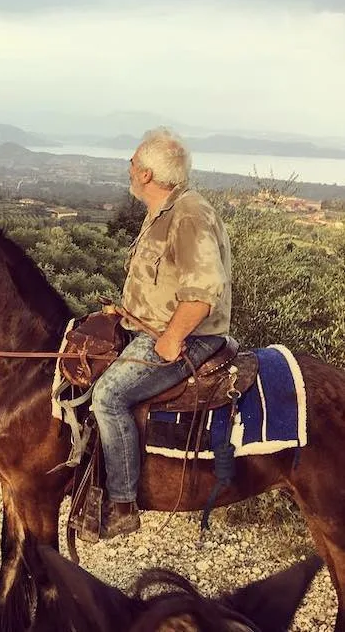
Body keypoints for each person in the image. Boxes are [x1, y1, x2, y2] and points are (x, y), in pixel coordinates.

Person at [90, 128, 232, 539]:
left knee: (109, 395)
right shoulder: (162, 212)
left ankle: (121, 504)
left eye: (133, 162)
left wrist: (170, 339)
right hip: (149, 326)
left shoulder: (188, 214)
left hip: (189, 336)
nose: (129, 168)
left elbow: (204, 291)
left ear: (148, 174)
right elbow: (162, 283)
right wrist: (126, 311)